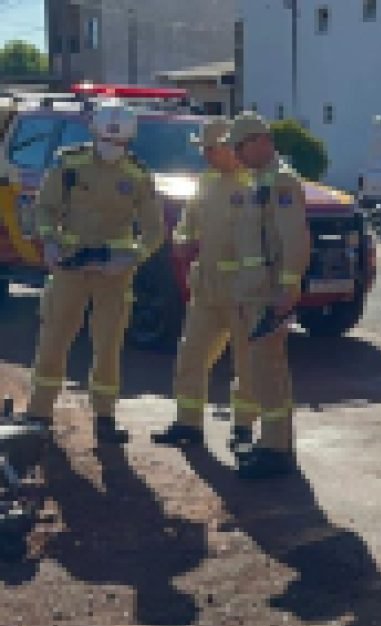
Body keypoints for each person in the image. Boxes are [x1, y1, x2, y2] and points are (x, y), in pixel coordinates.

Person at [26, 101, 165, 443]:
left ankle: (104, 418)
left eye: (118, 143)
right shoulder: (69, 163)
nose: (111, 148)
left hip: (113, 274)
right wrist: (49, 242)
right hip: (70, 268)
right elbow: (44, 209)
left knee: (108, 345)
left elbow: (154, 230)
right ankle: (39, 414)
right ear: (93, 134)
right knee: (54, 339)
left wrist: (133, 257)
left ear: (129, 142)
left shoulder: (137, 174)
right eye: (106, 140)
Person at [151, 118, 258, 452]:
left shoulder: (257, 185)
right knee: (191, 355)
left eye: (211, 150)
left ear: (229, 149)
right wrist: (183, 240)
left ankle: (242, 430)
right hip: (207, 289)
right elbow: (188, 224)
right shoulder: (207, 182)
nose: (207, 156)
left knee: (246, 364)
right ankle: (188, 423)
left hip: (243, 291)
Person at [227, 112, 310, 479]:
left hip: (269, 294)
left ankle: (277, 451)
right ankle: (273, 443)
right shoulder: (259, 181)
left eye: (240, 147)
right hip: (255, 293)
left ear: (260, 142)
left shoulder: (280, 183)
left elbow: (295, 239)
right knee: (264, 372)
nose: (237, 155)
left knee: (269, 371)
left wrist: (289, 287)